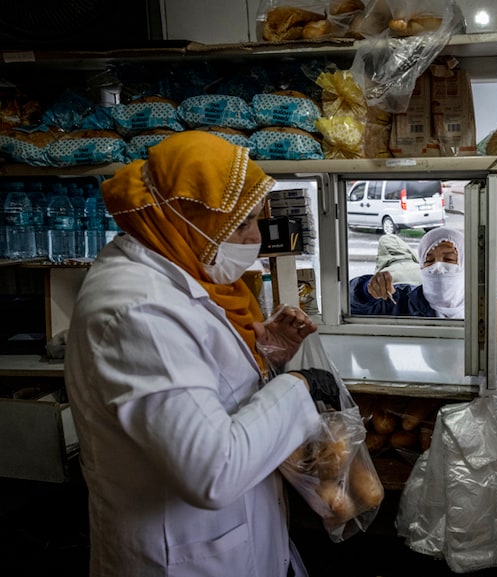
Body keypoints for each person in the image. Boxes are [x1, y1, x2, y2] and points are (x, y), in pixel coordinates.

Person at [64, 131, 323, 577]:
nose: (254, 237)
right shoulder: (137, 310)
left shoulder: (182, 270)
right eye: (242, 223)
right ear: (184, 216)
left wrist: (265, 358)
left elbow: (206, 391)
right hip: (181, 559)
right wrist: (297, 387)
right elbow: (214, 470)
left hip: (242, 542)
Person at [349, 227, 464, 317]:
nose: (438, 268)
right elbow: (349, 305)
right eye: (429, 260)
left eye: (449, 259)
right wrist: (366, 290)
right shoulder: (403, 301)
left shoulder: (479, 308)